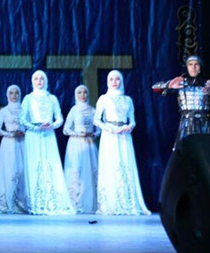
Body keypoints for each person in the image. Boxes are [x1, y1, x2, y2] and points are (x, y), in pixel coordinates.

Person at [94, 70, 150, 215]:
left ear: (121, 81)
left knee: (125, 165)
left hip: (125, 136)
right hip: (109, 136)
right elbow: (96, 120)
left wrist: (129, 127)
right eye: (111, 79)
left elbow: (132, 120)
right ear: (108, 81)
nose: (114, 82)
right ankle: (111, 204)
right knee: (111, 166)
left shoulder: (127, 100)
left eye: (117, 79)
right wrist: (111, 128)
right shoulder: (103, 99)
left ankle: (127, 202)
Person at [19, 70, 74, 215]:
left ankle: (52, 200)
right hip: (33, 136)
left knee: (51, 165)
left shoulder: (52, 98)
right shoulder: (28, 98)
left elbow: (59, 118)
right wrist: (36, 127)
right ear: (32, 81)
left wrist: (52, 125)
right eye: (36, 79)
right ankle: (37, 203)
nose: (39, 81)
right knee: (35, 167)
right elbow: (22, 119)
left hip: (49, 135)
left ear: (46, 81)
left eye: (42, 78)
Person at [152, 55, 210, 149]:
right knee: (184, 151)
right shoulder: (180, 84)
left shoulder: (207, 84)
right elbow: (155, 88)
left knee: (205, 151)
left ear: (200, 67)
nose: (193, 67)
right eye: (190, 64)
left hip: (204, 123)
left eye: (196, 64)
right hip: (186, 123)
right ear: (187, 67)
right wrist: (169, 85)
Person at [62, 85, 99, 214]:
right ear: (75, 95)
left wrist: (94, 134)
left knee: (90, 173)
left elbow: (99, 129)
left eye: (85, 92)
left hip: (89, 145)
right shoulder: (74, 110)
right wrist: (78, 134)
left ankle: (90, 203)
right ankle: (76, 202)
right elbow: (66, 129)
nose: (82, 95)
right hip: (76, 145)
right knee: (77, 172)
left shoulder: (93, 110)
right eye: (79, 93)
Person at [0, 84, 27, 214]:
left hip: (23, 143)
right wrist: (10, 134)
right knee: (9, 171)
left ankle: (23, 204)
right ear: (7, 95)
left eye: (16, 93)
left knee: (23, 171)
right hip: (8, 145)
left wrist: (24, 132)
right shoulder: (4, 111)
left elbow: (30, 126)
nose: (14, 96)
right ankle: (8, 203)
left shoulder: (25, 109)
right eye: (11, 93)